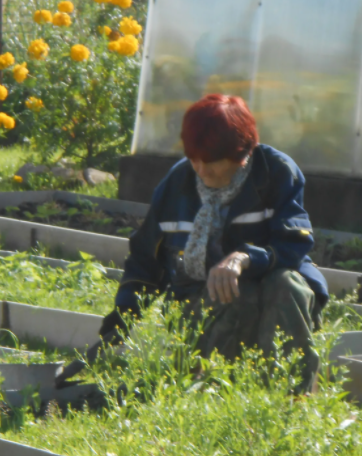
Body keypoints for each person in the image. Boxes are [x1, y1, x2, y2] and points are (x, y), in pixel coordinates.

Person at [61, 93, 328, 393]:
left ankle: (293, 396)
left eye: (211, 163)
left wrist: (244, 259)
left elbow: (294, 245)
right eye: (194, 160)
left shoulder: (276, 172)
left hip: (272, 295)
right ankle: (211, 384)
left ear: (242, 155)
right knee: (234, 294)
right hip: (203, 301)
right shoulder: (178, 183)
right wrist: (123, 317)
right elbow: (145, 259)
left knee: (286, 283)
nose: (201, 170)